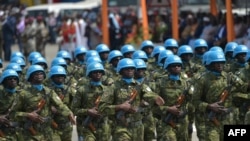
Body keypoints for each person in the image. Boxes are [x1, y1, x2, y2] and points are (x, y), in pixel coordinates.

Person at [98, 58, 165, 141]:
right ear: (121, 70)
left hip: (138, 128)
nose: (130, 70)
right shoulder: (113, 87)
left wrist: (155, 98)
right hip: (120, 127)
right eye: (127, 69)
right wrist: (120, 107)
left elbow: (149, 94)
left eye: (132, 68)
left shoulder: (140, 86)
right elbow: (101, 108)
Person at [193, 51, 249, 141]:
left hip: (228, 119)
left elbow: (244, 87)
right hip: (211, 121)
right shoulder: (202, 80)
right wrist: (209, 106)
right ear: (210, 64)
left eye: (221, 63)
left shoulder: (229, 77)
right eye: (216, 63)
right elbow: (195, 101)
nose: (220, 65)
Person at [14, 65, 76, 141]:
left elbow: (60, 105)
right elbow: (12, 114)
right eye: (36, 74)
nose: (39, 76)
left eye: (41, 73)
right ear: (30, 76)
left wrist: (69, 113)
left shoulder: (49, 91)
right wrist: (28, 115)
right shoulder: (23, 94)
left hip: (47, 132)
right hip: (30, 133)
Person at [154, 55, 193, 141]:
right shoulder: (160, 83)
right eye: (173, 65)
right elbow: (153, 107)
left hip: (183, 122)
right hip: (166, 122)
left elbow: (193, 103)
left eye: (178, 65)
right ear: (167, 67)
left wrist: (188, 116)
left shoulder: (187, 83)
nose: (176, 67)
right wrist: (168, 109)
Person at [72, 62, 112, 141]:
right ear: (90, 74)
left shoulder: (108, 90)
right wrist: (87, 111)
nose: (98, 74)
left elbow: (113, 107)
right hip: (87, 126)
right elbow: (74, 109)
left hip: (103, 127)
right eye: (95, 72)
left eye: (100, 72)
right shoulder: (82, 90)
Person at [47, 65, 75, 141]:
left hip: (66, 125)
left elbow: (75, 105)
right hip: (52, 125)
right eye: (57, 76)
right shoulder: (48, 91)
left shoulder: (69, 90)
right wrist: (50, 108)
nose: (60, 78)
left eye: (62, 76)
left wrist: (71, 112)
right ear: (52, 77)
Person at [0, 69, 23, 141]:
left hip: (19, 130)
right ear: (4, 81)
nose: (13, 80)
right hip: (3, 130)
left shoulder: (22, 93)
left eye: (15, 78)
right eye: (9, 79)